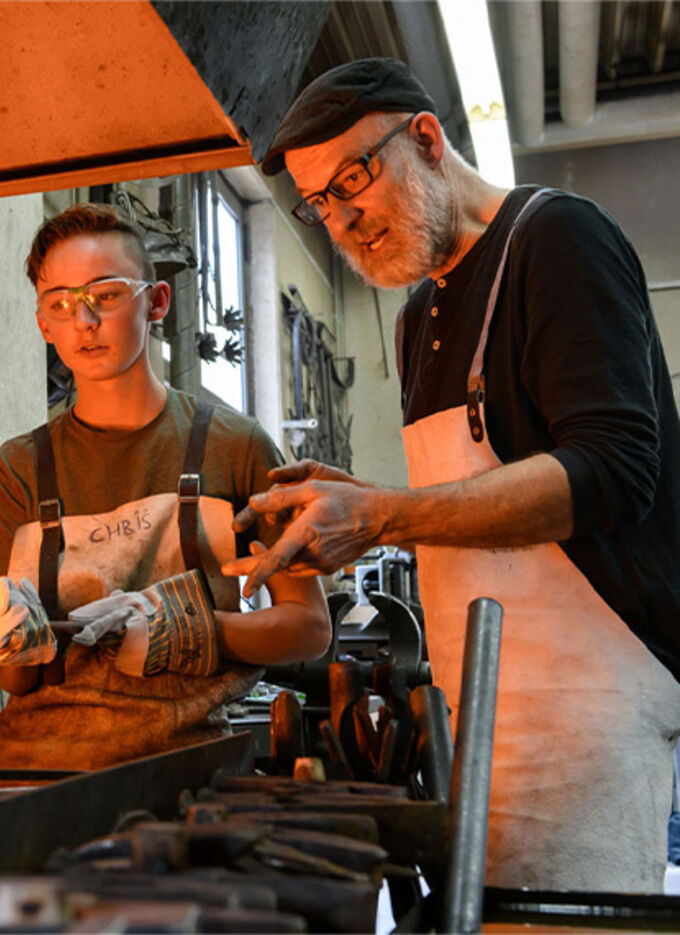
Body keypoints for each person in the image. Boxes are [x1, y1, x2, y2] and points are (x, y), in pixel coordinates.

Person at [227, 57, 680, 892]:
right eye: (319, 203)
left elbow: (615, 471)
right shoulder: (417, 318)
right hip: (475, 706)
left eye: (352, 179)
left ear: (428, 140)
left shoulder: (556, 239)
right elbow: (464, 507)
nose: (342, 219)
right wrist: (360, 501)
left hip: (588, 714)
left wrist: (385, 515)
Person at [0, 203, 330, 771]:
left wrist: (200, 633)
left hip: (191, 769)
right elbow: (18, 678)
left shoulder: (235, 448)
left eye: (106, 295)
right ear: (43, 324)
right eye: (61, 304)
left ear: (157, 301)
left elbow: (309, 627)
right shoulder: (17, 468)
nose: (84, 321)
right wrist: (3, 640)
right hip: (39, 772)